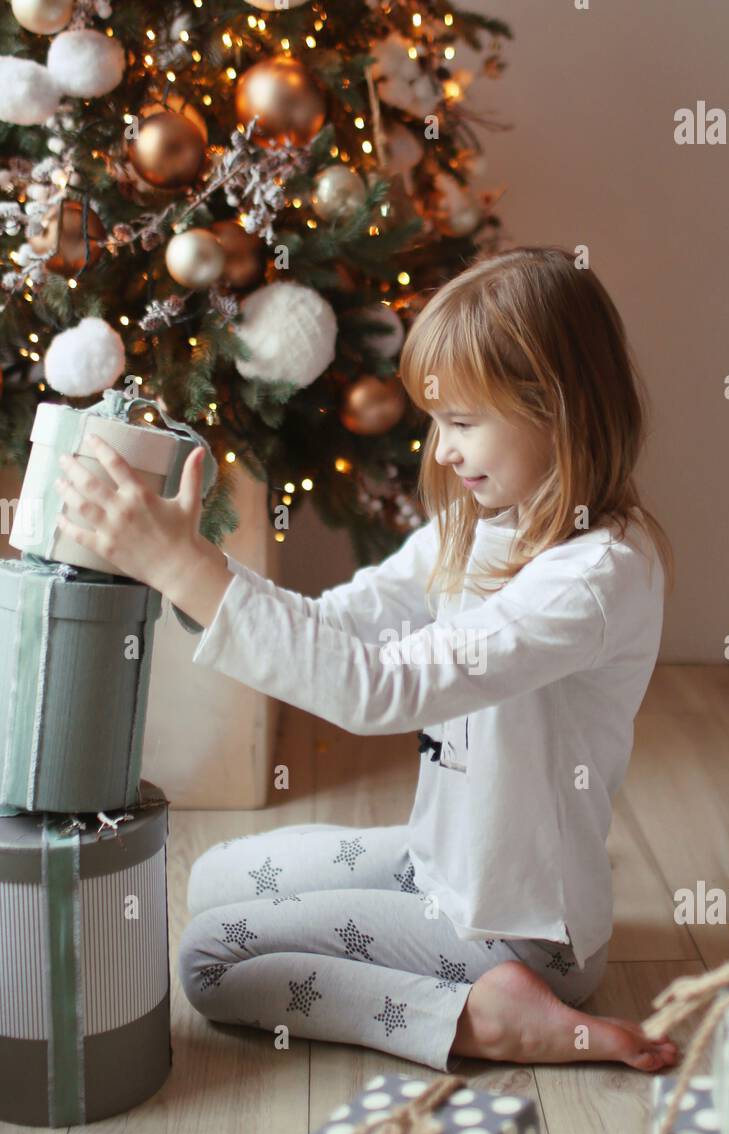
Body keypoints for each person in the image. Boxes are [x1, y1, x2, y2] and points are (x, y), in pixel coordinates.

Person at [54, 246, 679, 1074]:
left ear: (557, 411)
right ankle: (465, 986)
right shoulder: (481, 525)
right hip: (438, 865)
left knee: (209, 958)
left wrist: (182, 566)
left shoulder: (595, 576)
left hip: (522, 929)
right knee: (212, 879)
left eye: (463, 422)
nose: (442, 450)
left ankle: (485, 1019)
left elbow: (380, 689)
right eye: (438, 422)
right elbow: (336, 628)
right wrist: (190, 561)